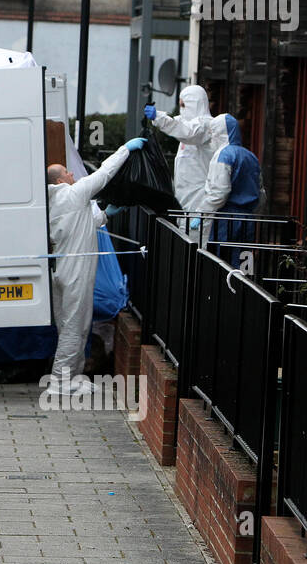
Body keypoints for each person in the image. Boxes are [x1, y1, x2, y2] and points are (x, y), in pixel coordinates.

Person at [46, 136, 147, 393]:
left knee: (71, 323)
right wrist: (125, 148)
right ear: (60, 180)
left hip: (63, 270)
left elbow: (83, 225)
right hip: (75, 271)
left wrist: (105, 215)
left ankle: (73, 376)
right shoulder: (73, 194)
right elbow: (105, 173)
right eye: (68, 172)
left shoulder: (57, 201)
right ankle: (61, 382)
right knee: (74, 325)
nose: (72, 174)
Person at [196, 114, 262, 267]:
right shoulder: (251, 156)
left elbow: (219, 192)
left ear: (220, 132)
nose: (211, 137)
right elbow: (261, 192)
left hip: (226, 217)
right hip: (248, 218)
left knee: (221, 264)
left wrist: (202, 212)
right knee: (244, 264)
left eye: (213, 132)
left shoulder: (223, 155)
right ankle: (243, 291)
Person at [143, 84, 218, 214]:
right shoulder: (186, 124)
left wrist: (159, 118)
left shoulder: (206, 125)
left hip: (199, 195)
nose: (181, 110)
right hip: (184, 195)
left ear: (195, 104)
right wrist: (159, 119)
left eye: (184, 105)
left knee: (196, 232)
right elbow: (176, 124)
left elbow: (187, 131)